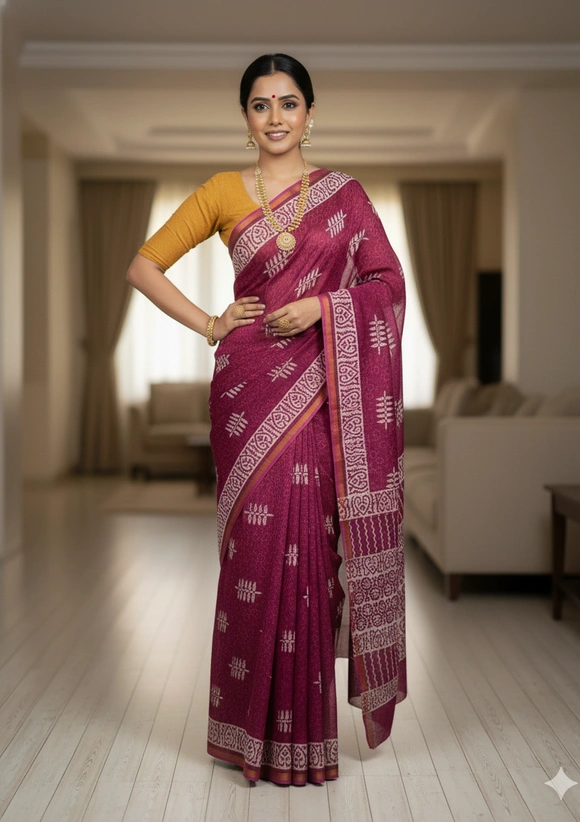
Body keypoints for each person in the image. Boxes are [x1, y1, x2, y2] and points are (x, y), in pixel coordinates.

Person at [126, 53, 407, 787]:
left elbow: (386, 283)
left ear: (310, 114)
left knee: (308, 548)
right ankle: (243, 734)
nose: (275, 117)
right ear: (245, 117)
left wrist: (321, 306)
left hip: (320, 384)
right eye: (260, 104)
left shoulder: (346, 196)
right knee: (254, 555)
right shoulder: (223, 191)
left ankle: (304, 739)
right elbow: (144, 266)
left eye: (288, 103)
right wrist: (211, 323)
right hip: (247, 387)